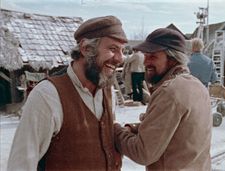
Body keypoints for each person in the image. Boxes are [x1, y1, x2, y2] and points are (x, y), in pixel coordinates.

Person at [7, 15, 128, 171]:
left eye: (122, 51)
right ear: (86, 49)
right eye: (112, 49)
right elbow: (21, 164)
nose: (120, 58)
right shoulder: (48, 95)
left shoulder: (108, 92)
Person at [114, 28, 212, 170]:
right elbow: (174, 129)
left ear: (172, 59)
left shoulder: (169, 92)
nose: (146, 62)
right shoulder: (197, 86)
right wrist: (134, 128)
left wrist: (116, 131)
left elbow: (143, 152)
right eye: (145, 56)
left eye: (152, 56)